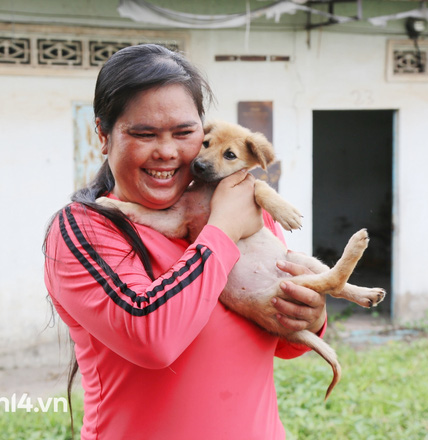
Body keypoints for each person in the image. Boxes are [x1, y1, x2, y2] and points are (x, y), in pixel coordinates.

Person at [44, 44, 327, 440]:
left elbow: (283, 344)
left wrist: (309, 315)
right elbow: (153, 339)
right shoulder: (86, 229)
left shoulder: (243, 206)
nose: (167, 152)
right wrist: (222, 230)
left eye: (185, 132)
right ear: (104, 136)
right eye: (143, 133)